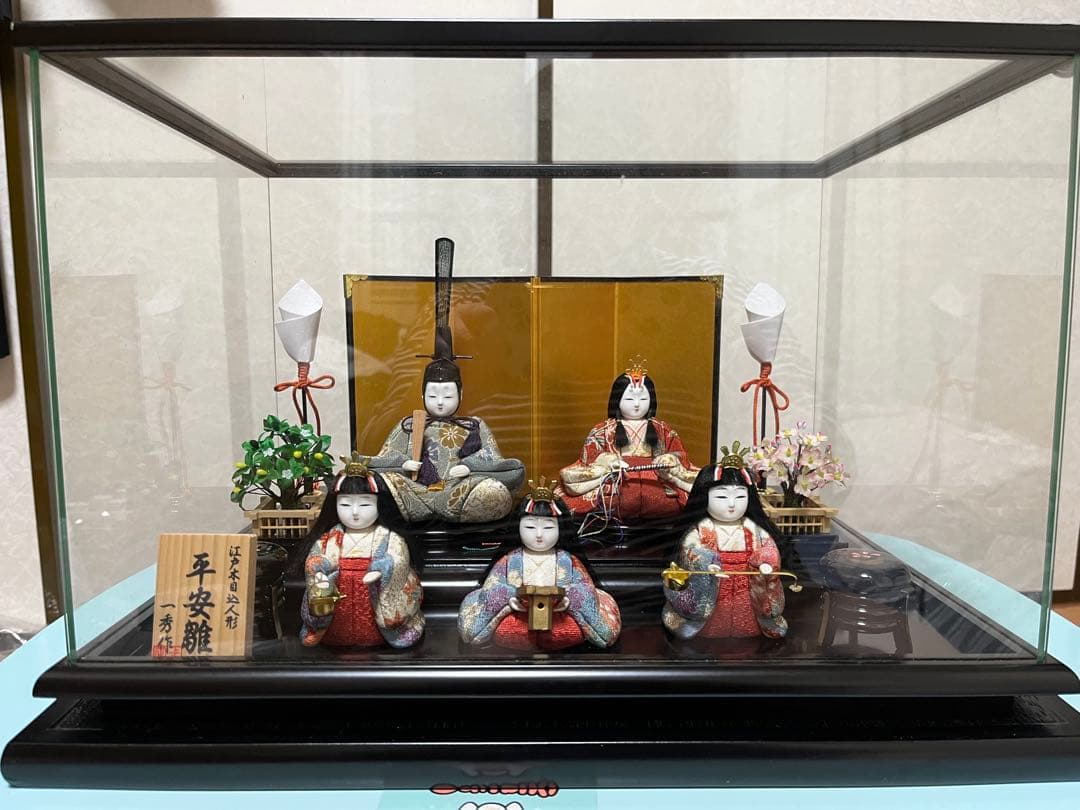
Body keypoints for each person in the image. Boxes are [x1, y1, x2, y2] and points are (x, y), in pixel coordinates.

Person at [367, 238, 525, 523]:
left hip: (459, 491)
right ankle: (421, 511)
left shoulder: (474, 426)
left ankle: (445, 512)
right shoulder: (408, 425)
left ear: (461, 395)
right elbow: (379, 461)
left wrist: (470, 467)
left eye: (448, 395)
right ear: (421, 394)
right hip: (414, 492)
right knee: (378, 485)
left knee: (495, 492)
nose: (440, 402)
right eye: (433, 395)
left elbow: (502, 466)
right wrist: (403, 463)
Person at [458, 478, 621, 651]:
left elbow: (584, 588)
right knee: (507, 629)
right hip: (517, 615)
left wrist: (567, 599)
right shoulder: (510, 560)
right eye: (530, 527)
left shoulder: (567, 560)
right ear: (518, 528)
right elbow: (493, 588)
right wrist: (511, 598)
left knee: (568, 629)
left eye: (548, 528)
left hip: (560, 616)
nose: (539, 535)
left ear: (561, 529)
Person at [662, 443, 788, 640]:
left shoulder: (754, 530)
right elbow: (691, 551)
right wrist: (706, 564)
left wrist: (765, 562)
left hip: (747, 588)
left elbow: (769, 550)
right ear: (705, 497)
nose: (731, 504)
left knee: (746, 620)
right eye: (721, 496)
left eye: (740, 496)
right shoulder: (701, 530)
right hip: (713, 588)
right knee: (711, 621)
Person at [300, 453, 424, 648]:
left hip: (373, 597)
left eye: (365, 504)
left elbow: (398, 560)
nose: (355, 512)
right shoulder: (329, 538)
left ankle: (382, 635)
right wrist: (318, 570)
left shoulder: (388, 538)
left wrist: (383, 568)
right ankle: (333, 634)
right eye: (345, 504)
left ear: (379, 505)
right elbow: (315, 559)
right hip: (338, 605)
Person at [556, 359, 697, 523]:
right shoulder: (604, 430)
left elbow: (680, 456)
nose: (637, 405)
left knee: (694, 493)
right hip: (617, 479)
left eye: (643, 399)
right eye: (629, 399)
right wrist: (607, 461)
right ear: (617, 400)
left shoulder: (662, 429)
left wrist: (670, 460)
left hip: (657, 480)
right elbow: (589, 458)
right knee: (573, 495)